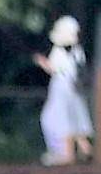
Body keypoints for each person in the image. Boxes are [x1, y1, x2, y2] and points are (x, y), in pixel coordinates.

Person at [39, 17, 93, 165]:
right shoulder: (77, 50)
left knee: (54, 119)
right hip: (75, 87)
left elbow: (53, 68)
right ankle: (85, 149)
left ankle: (65, 155)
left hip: (61, 87)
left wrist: (42, 62)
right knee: (74, 119)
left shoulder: (59, 50)